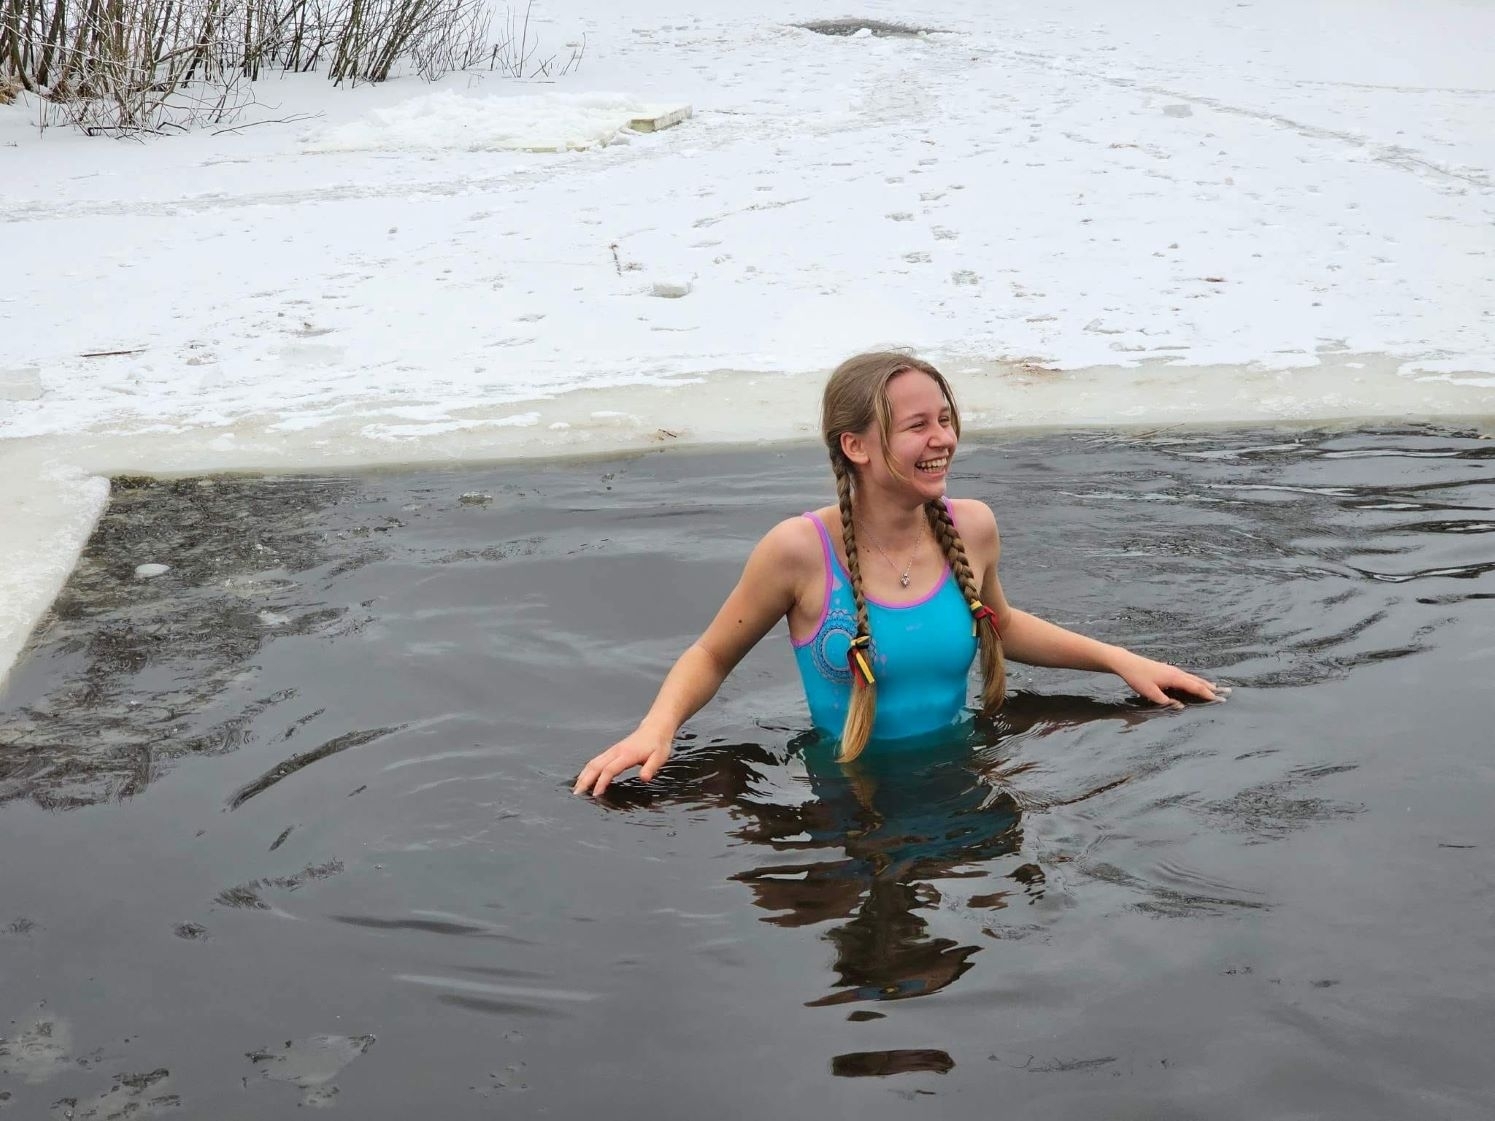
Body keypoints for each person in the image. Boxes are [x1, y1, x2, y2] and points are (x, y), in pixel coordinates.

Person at [574, 351, 1222, 797]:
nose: (942, 437)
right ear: (854, 446)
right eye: (917, 425)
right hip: (851, 792)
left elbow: (1003, 626)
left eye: (944, 419)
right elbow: (712, 653)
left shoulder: (971, 526)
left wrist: (1121, 661)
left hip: (961, 772)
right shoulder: (798, 550)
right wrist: (655, 728)